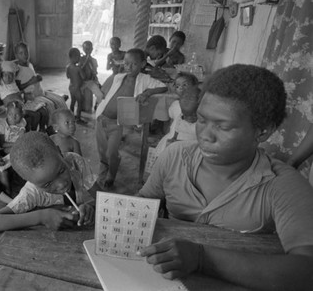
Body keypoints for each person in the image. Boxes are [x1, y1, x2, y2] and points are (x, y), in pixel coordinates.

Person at [137, 65, 313, 290]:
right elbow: (143, 202)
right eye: (201, 120)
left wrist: (202, 259)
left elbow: (307, 270)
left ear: (262, 132)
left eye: (224, 127)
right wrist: (96, 211)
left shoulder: (282, 185)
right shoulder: (175, 156)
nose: (206, 136)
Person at [0, 132, 98, 236]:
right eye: (47, 184)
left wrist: (90, 208)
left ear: (59, 152)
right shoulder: (32, 193)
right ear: (31, 181)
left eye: (61, 171)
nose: (61, 184)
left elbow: (102, 197)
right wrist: (41, 217)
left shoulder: (75, 162)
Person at [96, 48, 167, 188]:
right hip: (102, 118)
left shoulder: (144, 80)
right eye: (126, 63)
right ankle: (104, 166)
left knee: (112, 151)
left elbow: (163, 87)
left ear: (142, 64)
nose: (128, 67)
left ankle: (112, 174)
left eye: (133, 64)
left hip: (116, 124)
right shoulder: (118, 77)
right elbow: (104, 93)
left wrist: (148, 93)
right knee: (102, 150)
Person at [0, 60, 46, 132]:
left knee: (42, 111)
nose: (8, 77)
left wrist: (23, 93)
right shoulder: (1, 84)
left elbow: (16, 70)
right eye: (5, 75)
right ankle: (32, 132)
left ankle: (40, 129)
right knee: (35, 115)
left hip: (22, 105)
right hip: (14, 108)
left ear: (14, 76)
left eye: (10, 75)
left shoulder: (13, 83)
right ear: (2, 76)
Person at [154, 86, 199, 160]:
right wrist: (173, 138)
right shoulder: (180, 117)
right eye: (185, 115)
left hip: (190, 153)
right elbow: (176, 131)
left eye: (193, 115)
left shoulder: (202, 124)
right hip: (177, 151)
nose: (188, 118)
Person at [80, 41, 103, 110]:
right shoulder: (80, 59)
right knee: (79, 98)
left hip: (91, 81)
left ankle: (97, 105)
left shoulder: (94, 60)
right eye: (86, 49)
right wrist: (86, 60)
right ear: (83, 49)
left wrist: (97, 82)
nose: (88, 50)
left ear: (92, 49)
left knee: (100, 94)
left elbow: (95, 72)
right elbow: (79, 70)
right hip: (82, 82)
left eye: (89, 49)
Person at [66, 48, 85, 124]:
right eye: (78, 57)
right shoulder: (78, 68)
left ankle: (71, 117)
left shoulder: (67, 67)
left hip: (71, 87)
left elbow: (68, 76)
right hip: (77, 88)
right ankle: (78, 118)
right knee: (80, 102)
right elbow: (83, 77)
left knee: (73, 102)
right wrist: (81, 67)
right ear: (74, 57)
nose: (79, 58)